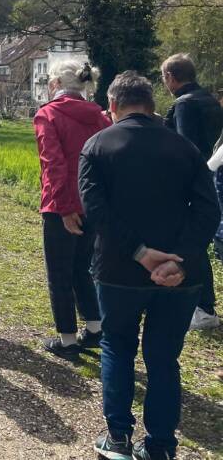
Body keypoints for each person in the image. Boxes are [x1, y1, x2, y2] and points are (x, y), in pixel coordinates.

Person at [80, 72, 219, 460]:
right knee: (163, 357)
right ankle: (160, 445)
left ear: (112, 105)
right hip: (179, 274)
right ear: (152, 104)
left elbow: (96, 211)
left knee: (117, 345)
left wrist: (140, 253)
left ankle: (118, 437)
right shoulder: (185, 148)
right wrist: (180, 259)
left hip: (118, 270)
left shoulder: (97, 146)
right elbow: (209, 212)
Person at [32, 60, 110, 357]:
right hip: (93, 203)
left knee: (59, 273)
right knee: (82, 268)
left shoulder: (48, 114)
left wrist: (64, 208)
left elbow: (53, 164)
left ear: (55, 84)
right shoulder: (101, 117)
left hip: (61, 204)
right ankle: (94, 327)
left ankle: (67, 340)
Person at [160, 53, 223, 331]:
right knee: (198, 242)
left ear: (170, 77)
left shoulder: (184, 103)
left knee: (190, 245)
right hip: (211, 178)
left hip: (189, 183)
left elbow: (185, 146)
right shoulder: (209, 99)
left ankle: (202, 306)